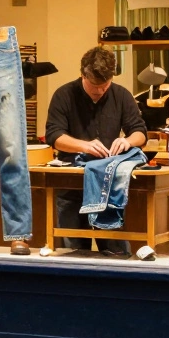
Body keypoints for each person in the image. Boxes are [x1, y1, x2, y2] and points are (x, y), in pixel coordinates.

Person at [45, 47, 148, 256]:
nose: (100, 91)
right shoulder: (64, 94)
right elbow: (54, 136)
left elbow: (140, 132)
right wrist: (83, 146)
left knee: (116, 253)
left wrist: (127, 141)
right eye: (94, 85)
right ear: (83, 75)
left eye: (105, 85)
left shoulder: (121, 95)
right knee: (73, 252)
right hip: (71, 183)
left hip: (109, 186)